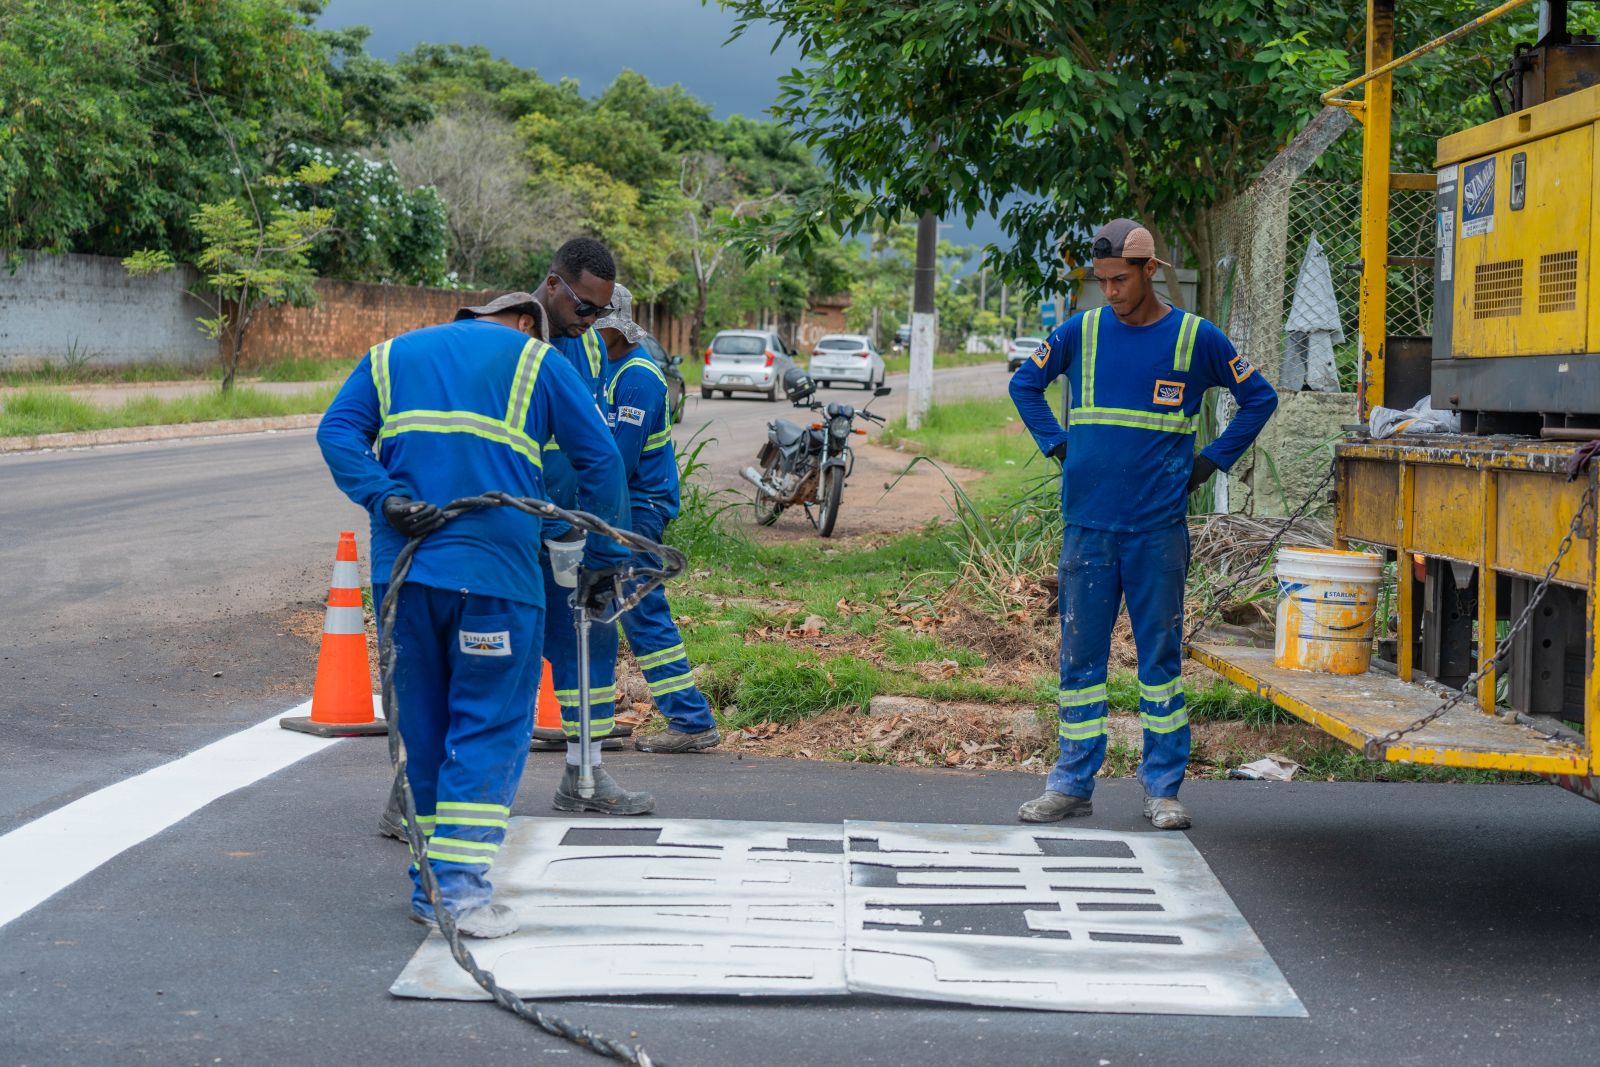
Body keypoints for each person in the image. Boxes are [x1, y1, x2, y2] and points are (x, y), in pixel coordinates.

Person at [317, 290, 630, 938]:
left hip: (404, 577)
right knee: (488, 727)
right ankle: (458, 894)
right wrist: (602, 558)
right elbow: (600, 458)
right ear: (523, 322)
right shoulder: (537, 360)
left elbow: (336, 431)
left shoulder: (390, 356)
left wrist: (385, 499)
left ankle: (431, 889)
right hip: (496, 579)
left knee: (425, 729)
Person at [1008, 219, 1278, 831]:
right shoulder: (1081, 331)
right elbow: (1026, 384)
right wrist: (1056, 444)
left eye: (1120, 280)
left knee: (1160, 662)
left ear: (1150, 270)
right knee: (1080, 662)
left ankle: (1163, 790)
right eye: (1101, 281)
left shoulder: (1195, 339)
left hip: (1158, 530)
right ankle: (1071, 784)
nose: (1110, 292)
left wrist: (1212, 462)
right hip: (1088, 528)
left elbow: (1259, 398)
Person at [522, 239, 656, 813]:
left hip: (569, 530)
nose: (592, 323)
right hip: (509, 528)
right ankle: (416, 789)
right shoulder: (512, 339)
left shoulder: (592, 351)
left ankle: (585, 774)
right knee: (482, 654)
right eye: (584, 309)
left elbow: (596, 451)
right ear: (553, 286)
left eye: (602, 313)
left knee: (589, 642)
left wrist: (597, 544)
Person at [591, 285, 721, 753]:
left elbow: (617, 462)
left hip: (638, 511)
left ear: (614, 325)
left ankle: (691, 722)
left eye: (595, 321)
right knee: (600, 610)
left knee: (642, 612)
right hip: (620, 511)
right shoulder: (608, 369)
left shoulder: (639, 377)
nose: (588, 329)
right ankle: (595, 718)